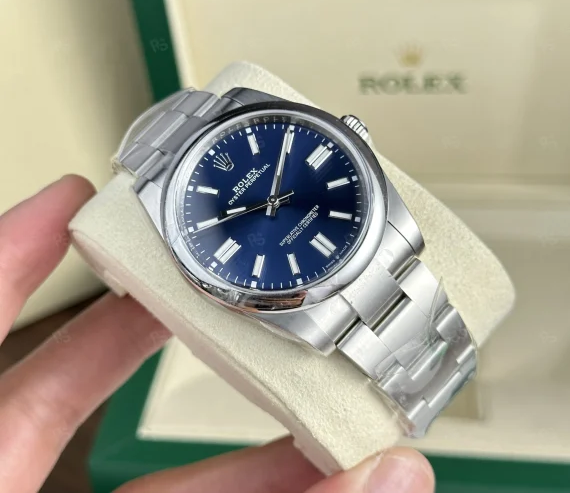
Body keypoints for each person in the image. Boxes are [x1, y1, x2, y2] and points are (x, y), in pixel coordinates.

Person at [0, 175, 435, 493]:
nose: (271, 204)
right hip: (300, 292)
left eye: (273, 198)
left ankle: (430, 367)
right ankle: (424, 381)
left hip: (356, 242)